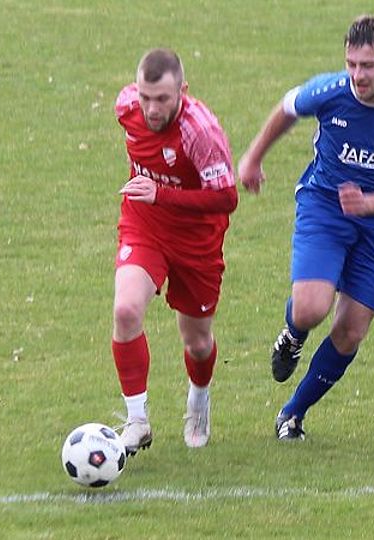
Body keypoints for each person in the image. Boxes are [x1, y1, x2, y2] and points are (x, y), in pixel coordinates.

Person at [238, 16, 374, 440]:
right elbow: (288, 108)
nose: (358, 76)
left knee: (349, 331)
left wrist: (369, 205)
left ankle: (293, 414)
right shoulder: (331, 92)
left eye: (368, 66)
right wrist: (253, 158)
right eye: (351, 64)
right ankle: (293, 335)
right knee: (310, 309)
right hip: (326, 206)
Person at [110, 48, 238, 452]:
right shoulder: (126, 106)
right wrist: (153, 196)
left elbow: (227, 198)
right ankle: (137, 421)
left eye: (162, 99)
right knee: (125, 310)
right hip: (144, 225)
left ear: (183, 91)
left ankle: (199, 398)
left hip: (196, 243)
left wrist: (161, 193)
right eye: (145, 97)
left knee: (197, 342)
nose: (151, 109)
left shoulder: (201, 132)